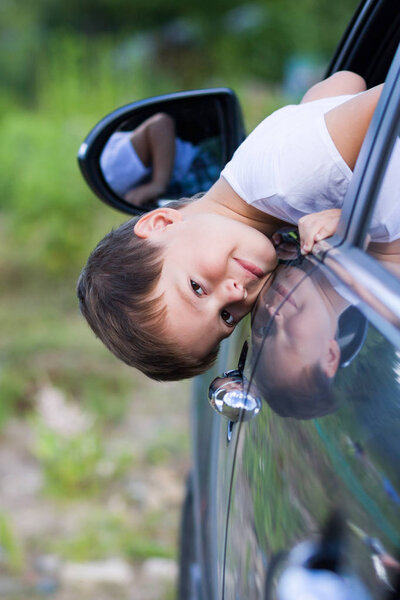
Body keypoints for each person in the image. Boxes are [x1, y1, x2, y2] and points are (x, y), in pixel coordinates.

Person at [77, 71, 384, 382]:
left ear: (160, 223)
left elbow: (381, 110)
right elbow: (347, 83)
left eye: (197, 288)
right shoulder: (261, 176)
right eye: (226, 317)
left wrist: (362, 217)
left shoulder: (288, 177)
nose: (236, 294)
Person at [100, 113, 221, 206]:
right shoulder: (109, 178)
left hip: (199, 166)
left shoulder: (112, 170)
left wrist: (157, 184)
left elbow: (160, 123)